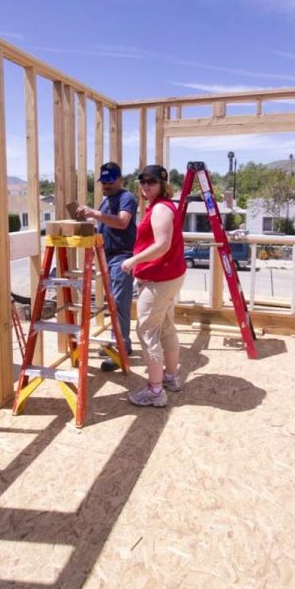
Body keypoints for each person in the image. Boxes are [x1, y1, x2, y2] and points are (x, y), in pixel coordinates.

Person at [120, 164, 186, 407]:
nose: (146, 186)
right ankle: (170, 377)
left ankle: (155, 391)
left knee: (147, 332)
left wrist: (133, 260)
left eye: (152, 182)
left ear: (163, 185)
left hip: (159, 280)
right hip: (169, 277)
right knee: (166, 327)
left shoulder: (160, 209)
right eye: (143, 182)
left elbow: (162, 245)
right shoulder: (161, 207)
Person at [76, 162, 137, 370]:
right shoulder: (106, 201)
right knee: (113, 303)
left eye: (111, 181)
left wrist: (94, 214)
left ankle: (121, 349)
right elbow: (104, 225)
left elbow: (122, 222)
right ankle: (118, 343)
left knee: (119, 304)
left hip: (122, 257)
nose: (107, 185)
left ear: (120, 179)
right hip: (108, 257)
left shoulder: (126, 198)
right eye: (104, 182)